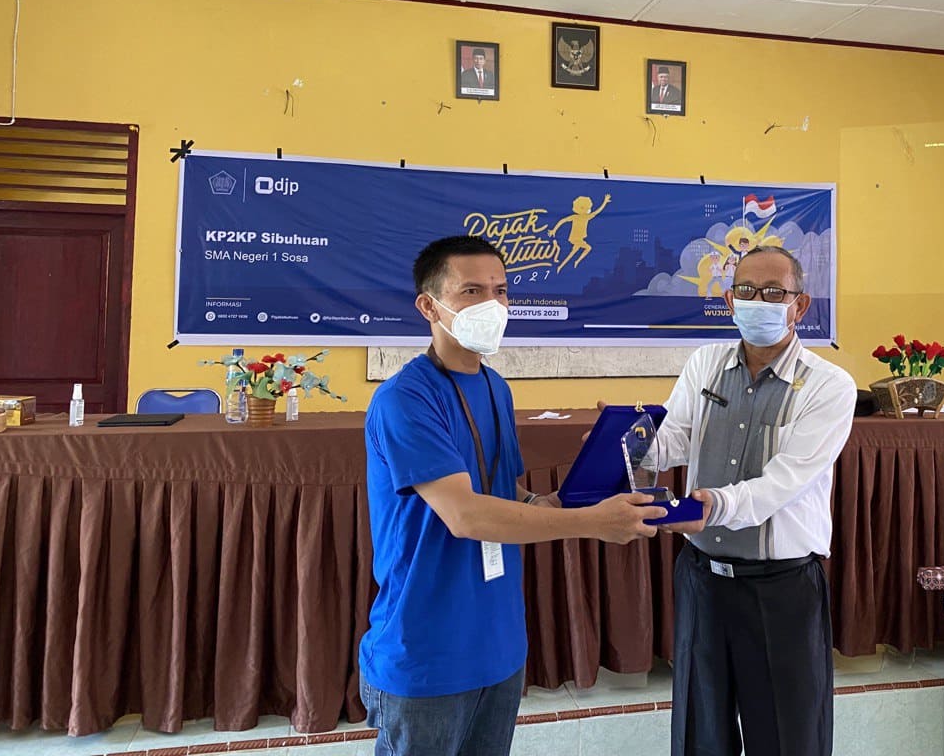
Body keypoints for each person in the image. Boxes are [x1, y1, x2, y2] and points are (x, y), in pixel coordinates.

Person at [359, 235, 664, 756]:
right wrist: (590, 523)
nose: (493, 305)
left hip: (498, 646)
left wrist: (548, 503)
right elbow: (465, 514)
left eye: (500, 291)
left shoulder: (496, 387)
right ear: (428, 306)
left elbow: (500, 489)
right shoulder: (405, 399)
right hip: (426, 650)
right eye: (471, 291)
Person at [649, 245, 856, 756]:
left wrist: (712, 507)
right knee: (701, 736)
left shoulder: (829, 386)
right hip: (702, 581)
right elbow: (676, 437)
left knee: (788, 738)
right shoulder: (705, 363)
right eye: (745, 291)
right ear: (729, 300)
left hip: (780, 588)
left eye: (773, 293)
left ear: (799, 305)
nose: (757, 301)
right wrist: (631, 444)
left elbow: (785, 482)